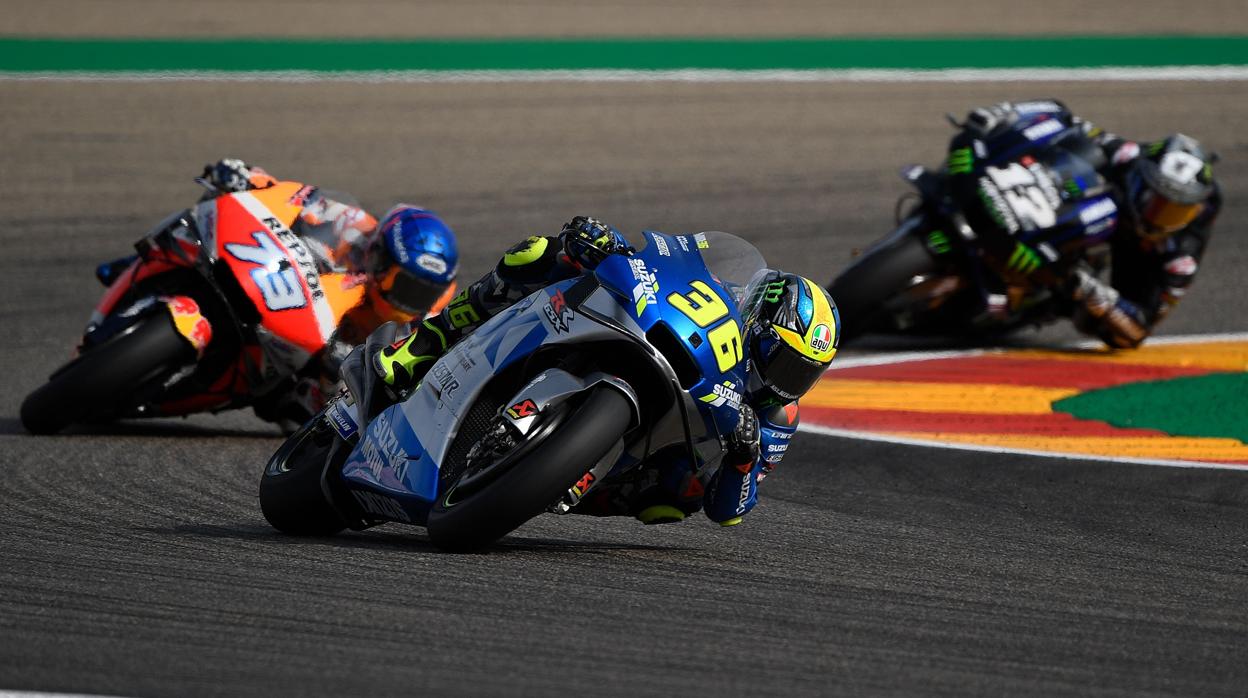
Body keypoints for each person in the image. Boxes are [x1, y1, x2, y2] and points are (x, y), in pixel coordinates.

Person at [365, 216, 840, 527]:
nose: (785, 381)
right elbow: (668, 266)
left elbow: (730, 512)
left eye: (803, 372)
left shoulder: (778, 417)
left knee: (677, 498)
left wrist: (741, 456)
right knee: (538, 254)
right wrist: (606, 244)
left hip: (651, 457)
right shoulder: (723, 298)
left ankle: (571, 475)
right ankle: (425, 345)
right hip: (649, 347)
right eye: (783, 359)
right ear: (757, 322)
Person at [96, 157, 461, 425]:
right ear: (381, 258)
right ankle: (138, 266)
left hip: (295, 368)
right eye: (402, 282)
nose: (405, 298)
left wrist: (350, 374)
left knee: (300, 410)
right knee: (194, 226)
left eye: (419, 291)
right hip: (269, 279)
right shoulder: (353, 226)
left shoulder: (424, 322)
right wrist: (251, 178)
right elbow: (295, 199)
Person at [946, 100, 1221, 348]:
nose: (1160, 217)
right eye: (1156, 203)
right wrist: (1004, 114)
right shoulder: (1127, 157)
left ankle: (1038, 298)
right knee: (1053, 144)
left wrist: (1097, 297)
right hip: (1086, 203)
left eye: (1175, 211)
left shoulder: (1181, 253)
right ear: (1141, 178)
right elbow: (1061, 115)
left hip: (1135, 250)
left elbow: (1138, 330)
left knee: (1114, 329)